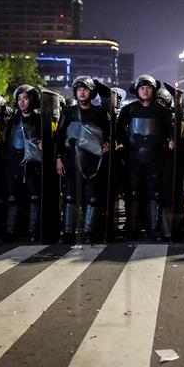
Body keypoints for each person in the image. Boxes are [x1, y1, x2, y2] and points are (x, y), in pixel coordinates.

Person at [116, 74, 174, 241]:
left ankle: (154, 229)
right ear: (137, 90)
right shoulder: (128, 110)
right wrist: (121, 145)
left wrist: (170, 141)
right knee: (133, 195)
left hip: (156, 160)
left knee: (154, 195)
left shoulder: (161, 111)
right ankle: (132, 229)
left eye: (148, 88)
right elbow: (119, 132)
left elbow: (170, 131)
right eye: (142, 88)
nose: (145, 90)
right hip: (133, 159)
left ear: (154, 90)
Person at [55, 76, 111, 243]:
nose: (82, 92)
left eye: (85, 89)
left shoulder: (100, 113)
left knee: (92, 197)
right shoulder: (68, 113)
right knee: (70, 196)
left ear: (91, 92)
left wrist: (108, 142)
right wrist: (58, 158)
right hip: (71, 161)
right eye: (79, 90)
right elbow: (59, 137)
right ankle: (67, 232)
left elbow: (108, 135)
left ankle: (88, 233)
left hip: (93, 163)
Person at [1, 85, 43, 242]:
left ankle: (33, 232)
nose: (22, 102)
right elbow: (5, 141)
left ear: (32, 100)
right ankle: (10, 231)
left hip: (32, 165)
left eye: (25, 98)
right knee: (12, 198)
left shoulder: (39, 120)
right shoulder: (12, 121)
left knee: (33, 198)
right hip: (13, 164)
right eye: (19, 99)